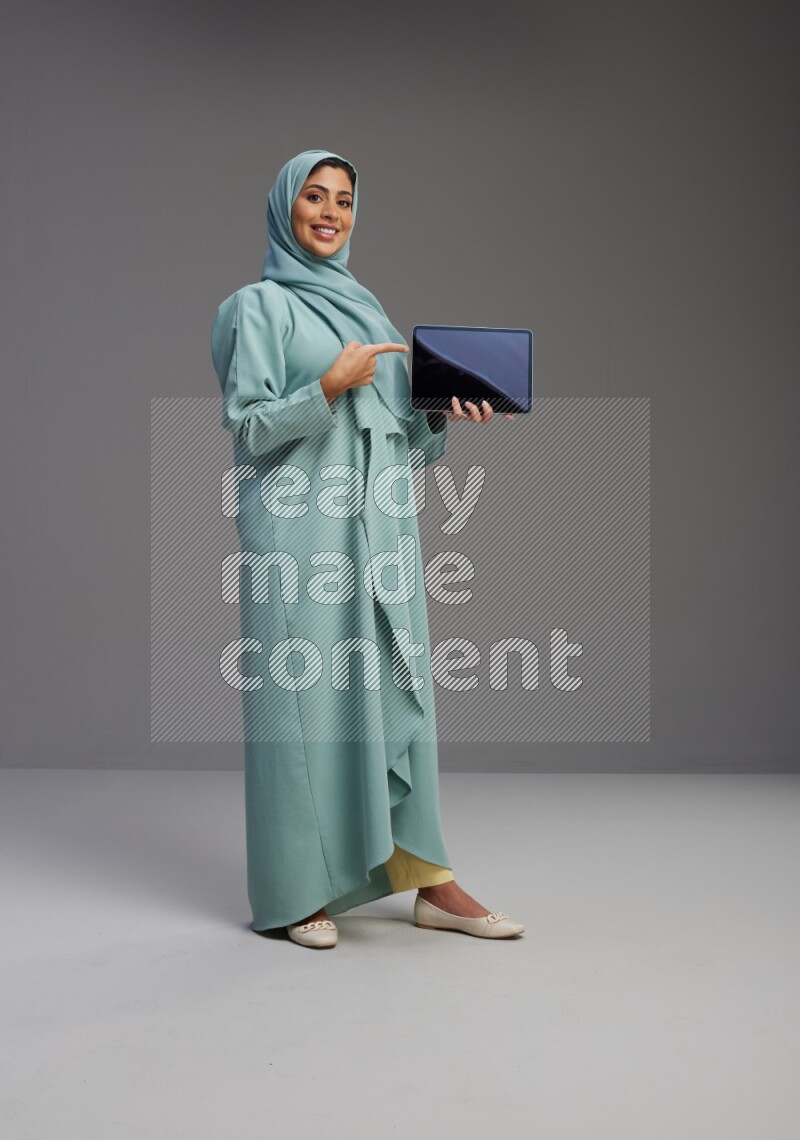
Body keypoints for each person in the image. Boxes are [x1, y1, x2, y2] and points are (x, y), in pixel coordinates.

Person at [211, 149, 525, 948]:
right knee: (303, 711)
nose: (329, 212)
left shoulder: (372, 315)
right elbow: (248, 428)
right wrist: (326, 386)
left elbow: (405, 446)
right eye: (314, 197)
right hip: (299, 537)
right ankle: (295, 891)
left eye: (344, 201)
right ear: (286, 207)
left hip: (380, 529)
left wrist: (445, 413)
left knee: (398, 693)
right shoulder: (256, 308)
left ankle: (427, 879)